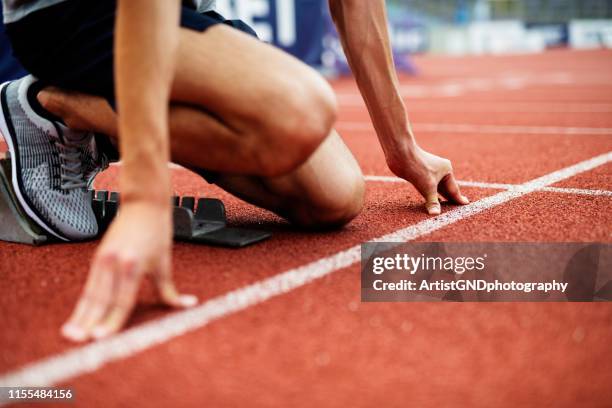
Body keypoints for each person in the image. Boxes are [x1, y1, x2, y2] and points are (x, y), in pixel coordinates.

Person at [0, 0, 469, 342]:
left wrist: (401, 146)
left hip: (186, 15)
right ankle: (51, 107)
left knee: (333, 196)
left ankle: (96, 125)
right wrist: (145, 198)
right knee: (296, 111)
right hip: (70, 12)